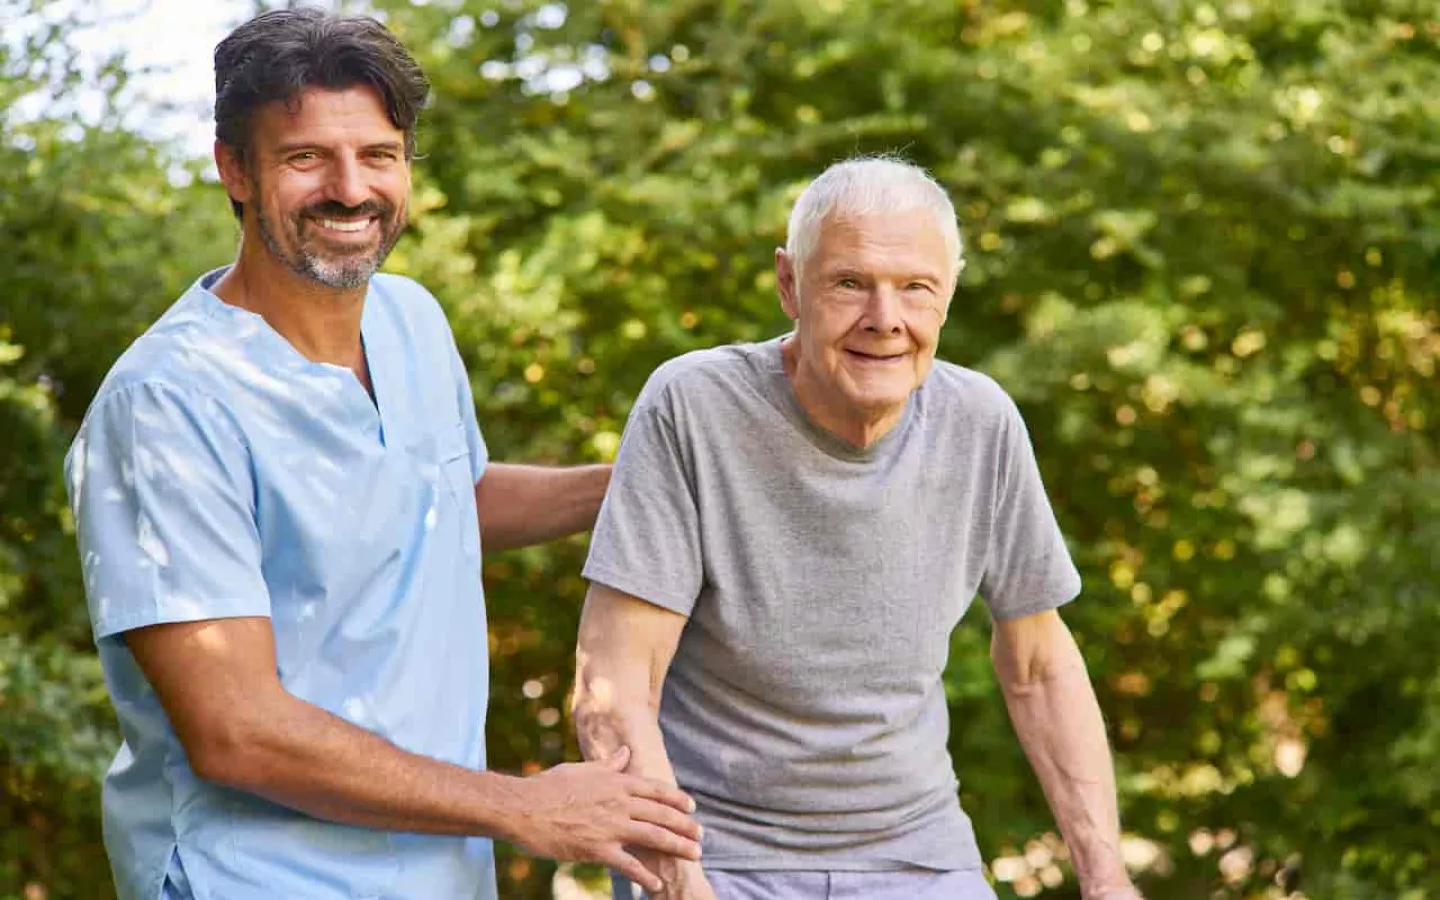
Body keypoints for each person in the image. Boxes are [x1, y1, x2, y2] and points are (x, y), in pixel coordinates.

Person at [63, 9, 700, 900]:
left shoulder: (411, 323)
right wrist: (519, 807)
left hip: (438, 874)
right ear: (235, 170)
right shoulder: (167, 404)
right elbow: (233, 728)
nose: (349, 188)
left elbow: (443, 504)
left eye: (379, 155)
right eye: (305, 158)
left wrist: (663, 482)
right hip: (257, 879)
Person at [572, 157, 1144, 900]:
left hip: (918, 855)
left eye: (915, 287)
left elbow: (1039, 668)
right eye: (849, 283)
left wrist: (1107, 881)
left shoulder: (981, 424)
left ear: (947, 297)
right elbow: (614, 689)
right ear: (789, 286)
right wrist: (683, 885)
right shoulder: (693, 408)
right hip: (719, 855)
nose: (885, 318)